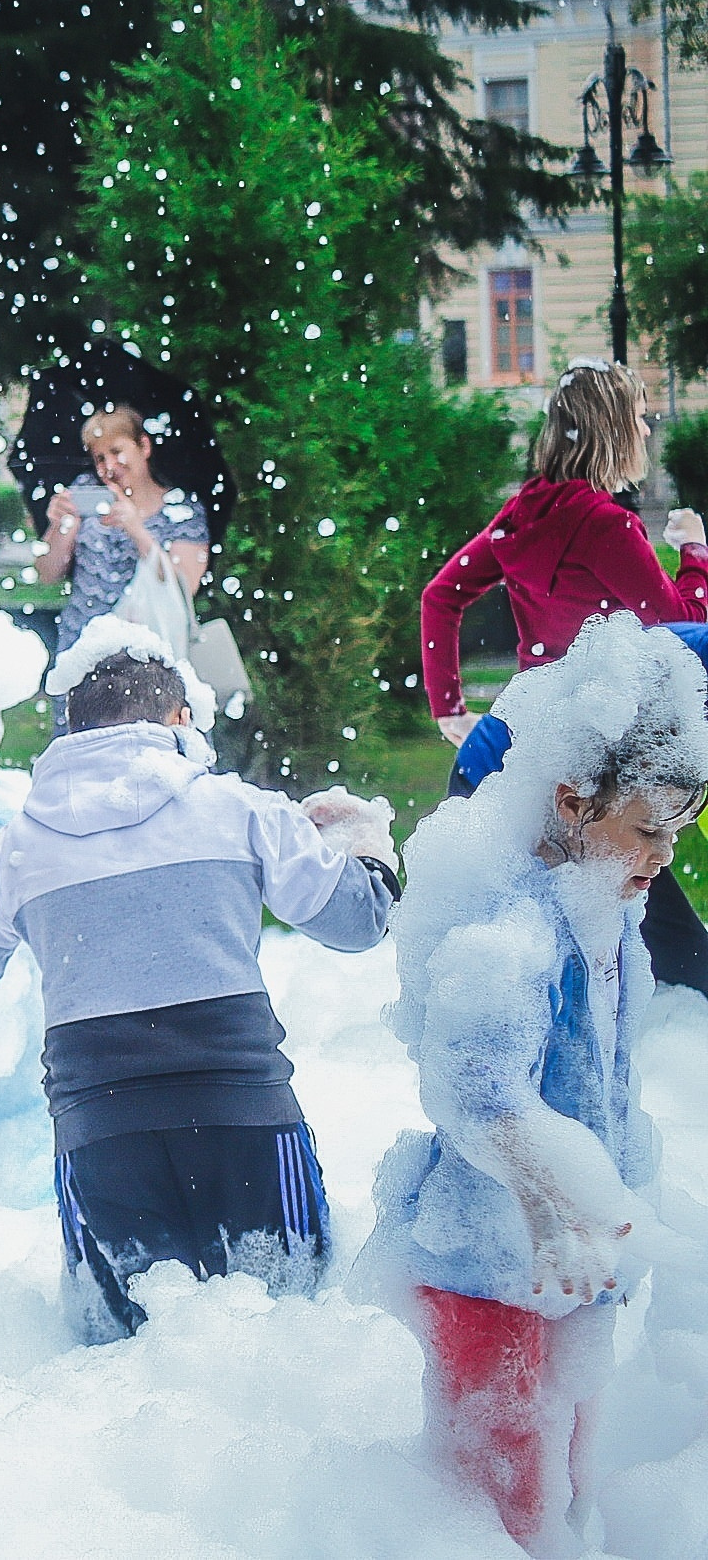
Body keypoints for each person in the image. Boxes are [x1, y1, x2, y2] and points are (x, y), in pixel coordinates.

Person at [0, 619, 401, 1341]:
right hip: (244, 1116)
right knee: (294, 1338)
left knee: (118, 1366)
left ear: (72, 731)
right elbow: (361, 923)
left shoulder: (12, 849)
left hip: (101, 1133)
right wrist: (366, 846)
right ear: (179, 719)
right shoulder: (241, 810)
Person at [363, 613, 705, 1556]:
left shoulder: (609, 909)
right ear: (571, 801)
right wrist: (550, 1209)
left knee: (568, 1473)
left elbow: (604, 1084)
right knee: (498, 1503)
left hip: (573, 1263)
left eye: (678, 831)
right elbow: (478, 1094)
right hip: (489, 1263)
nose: (664, 857)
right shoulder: (508, 931)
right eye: (648, 828)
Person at [422, 359, 708, 751]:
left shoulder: (522, 514)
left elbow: (440, 594)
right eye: (639, 418)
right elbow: (684, 632)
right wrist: (695, 550)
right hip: (613, 736)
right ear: (613, 431)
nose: (645, 430)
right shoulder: (607, 526)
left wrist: (448, 709)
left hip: (538, 731)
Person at [449, 622, 708, 993]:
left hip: (612, 807)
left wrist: (658, 827)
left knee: (643, 953)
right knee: (543, 956)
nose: (669, 854)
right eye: (655, 832)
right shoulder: (683, 664)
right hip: (502, 777)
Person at [32, 405, 212, 658]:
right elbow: (46, 574)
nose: (109, 466)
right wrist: (60, 525)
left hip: (145, 658)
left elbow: (183, 589)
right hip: (80, 650)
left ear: (144, 446)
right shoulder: (85, 491)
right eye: (100, 458)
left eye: (117, 452)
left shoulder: (182, 511)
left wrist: (137, 530)